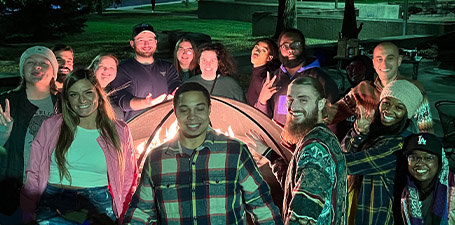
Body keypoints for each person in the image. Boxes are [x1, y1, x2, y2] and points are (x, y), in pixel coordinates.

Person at [126, 82, 283, 224]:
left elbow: (261, 206)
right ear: (175, 111)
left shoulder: (235, 152)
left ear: (209, 109)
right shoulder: (157, 158)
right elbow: (141, 211)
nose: (192, 116)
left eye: (199, 108)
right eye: (184, 109)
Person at [20, 69, 137, 224]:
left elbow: (129, 177)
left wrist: (124, 214)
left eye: (88, 92)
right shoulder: (52, 126)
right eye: (74, 94)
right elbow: (33, 171)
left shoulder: (119, 130)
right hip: (55, 201)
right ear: (67, 100)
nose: (82, 100)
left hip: (97, 203)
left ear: (98, 94)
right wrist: (28, 209)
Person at [247, 77, 347, 225]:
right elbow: (294, 183)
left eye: (303, 100)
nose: (293, 107)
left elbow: (303, 214)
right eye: (290, 100)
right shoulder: (321, 136)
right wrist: (269, 154)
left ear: (320, 104)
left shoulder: (315, 149)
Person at [342, 80, 423, 225]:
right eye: (386, 103)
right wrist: (358, 132)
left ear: (407, 113)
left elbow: (347, 163)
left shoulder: (399, 145)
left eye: (399, 107)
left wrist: (315, 152)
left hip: (375, 216)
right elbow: (345, 151)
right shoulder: (374, 131)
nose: (389, 110)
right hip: (352, 208)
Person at [0, 46, 58, 224]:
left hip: (54, 192)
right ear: (22, 70)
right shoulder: (5, 102)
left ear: (54, 71)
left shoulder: (66, 105)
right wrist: (3, 133)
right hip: (13, 193)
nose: (37, 67)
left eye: (43, 63)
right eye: (30, 62)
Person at [328, 42, 433, 134]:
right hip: (368, 151)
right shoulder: (363, 89)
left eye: (390, 58)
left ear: (399, 61)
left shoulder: (413, 89)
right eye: (379, 59)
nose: (384, 64)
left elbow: (426, 130)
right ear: (373, 63)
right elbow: (333, 114)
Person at [254, 28, 339, 126]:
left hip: (308, 140)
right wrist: (262, 101)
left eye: (296, 44)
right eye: (285, 46)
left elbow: (333, 122)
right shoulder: (272, 79)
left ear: (303, 46)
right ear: (279, 50)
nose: (290, 50)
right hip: (276, 139)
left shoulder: (321, 80)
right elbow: (260, 120)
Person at [110, 23, 181, 121]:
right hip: (136, 127)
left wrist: (176, 92)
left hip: (164, 127)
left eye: (150, 40)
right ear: (132, 44)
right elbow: (123, 100)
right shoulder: (123, 69)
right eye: (141, 40)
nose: (146, 44)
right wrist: (147, 103)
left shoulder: (167, 67)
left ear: (155, 42)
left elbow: (175, 85)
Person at [401, 133, 455, 224]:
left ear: (440, 161)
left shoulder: (452, 185)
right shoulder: (407, 193)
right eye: (414, 157)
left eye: (428, 158)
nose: (420, 164)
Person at [88, 53, 124, 120]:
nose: (107, 70)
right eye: (102, 66)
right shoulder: (85, 92)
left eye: (111, 67)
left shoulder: (114, 91)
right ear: (93, 68)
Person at [247, 38, 280, 106]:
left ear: (269, 58)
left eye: (263, 50)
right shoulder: (257, 73)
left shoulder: (261, 80)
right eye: (256, 47)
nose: (257, 51)